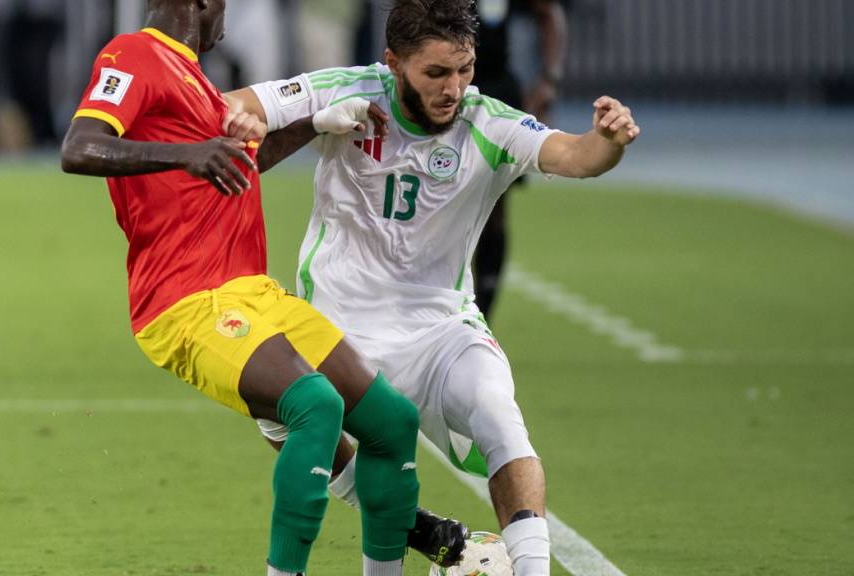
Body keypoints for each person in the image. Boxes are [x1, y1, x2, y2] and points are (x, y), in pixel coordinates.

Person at [226, 0, 639, 574]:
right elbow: (237, 105)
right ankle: (419, 528)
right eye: (436, 73)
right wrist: (255, 122)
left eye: (465, 69)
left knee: (499, 414)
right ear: (394, 62)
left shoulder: (488, 121)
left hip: (441, 329)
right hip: (338, 330)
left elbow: (576, 155)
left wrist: (608, 140)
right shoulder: (351, 89)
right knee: (275, 414)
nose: (454, 89)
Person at [59, 1, 467, 574]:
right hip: (186, 302)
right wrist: (188, 155)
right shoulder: (135, 53)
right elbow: (79, 147)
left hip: (253, 291)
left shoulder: (196, 80)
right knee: (315, 406)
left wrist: (315, 124)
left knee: (392, 422)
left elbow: (236, 167)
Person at [473, 0, 568, 318]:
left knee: (495, 209)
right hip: (440, 91)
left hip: (494, 91)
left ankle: (483, 315)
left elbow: (549, 12)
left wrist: (549, 79)